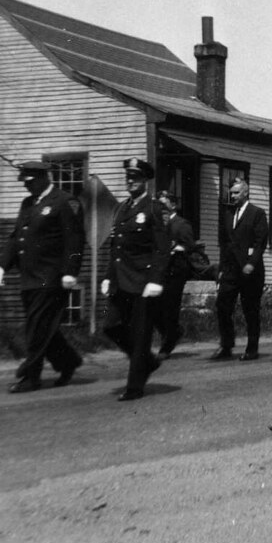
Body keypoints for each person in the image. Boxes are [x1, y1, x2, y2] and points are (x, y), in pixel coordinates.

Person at [0, 161, 84, 393]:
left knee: (35, 328)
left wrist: (70, 272)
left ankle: (30, 376)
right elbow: (16, 238)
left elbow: (74, 240)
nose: (27, 187)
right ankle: (68, 361)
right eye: (25, 182)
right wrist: (2, 266)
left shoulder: (64, 202)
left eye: (31, 182)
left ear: (45, 178)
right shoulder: (28, 203)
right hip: (29, 277)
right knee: (43, 327)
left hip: (51, 277)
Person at [100, 158, 170, 400]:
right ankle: (147, 361)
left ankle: (135, 386)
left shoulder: (154, 208)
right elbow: (115, 247)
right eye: (128, 177)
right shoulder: (122, 209)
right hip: (121, 279)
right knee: (111, 326)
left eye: (136, 177)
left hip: (142, 281)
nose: (131, 181)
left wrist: (155, 280)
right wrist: (109, 276)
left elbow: (162, 249)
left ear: (145, 181)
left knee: (141, 335)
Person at [212, 177, 269, 360]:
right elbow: (224, 244)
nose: (233, 196)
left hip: (250, 271)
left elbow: (260, 243)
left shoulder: (257, 213)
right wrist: (221, 269)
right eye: (231, 193)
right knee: (222, 305)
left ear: (246, 193)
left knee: (250, 309)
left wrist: (251, 263)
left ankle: (252, 348)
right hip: (230, 270)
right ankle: (226, 345)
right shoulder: (227, 214)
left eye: (236, 193)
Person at [154, 191, 197, 361]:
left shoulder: (181, 224)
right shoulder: (157, 224)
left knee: (170, 308)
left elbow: (190, 245)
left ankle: (167, 344)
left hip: (176, 271)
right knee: (154, 307)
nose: (161, 208)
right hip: (160, 270)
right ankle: (173, 332)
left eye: (164, 204)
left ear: (173, 205)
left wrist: (178, 248)